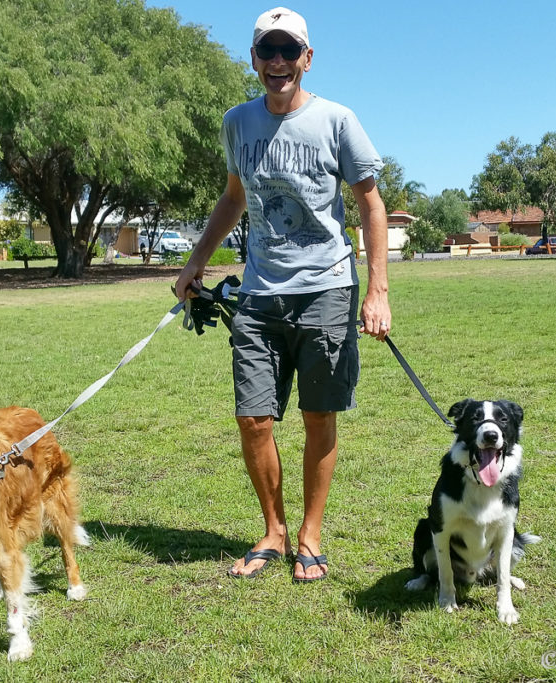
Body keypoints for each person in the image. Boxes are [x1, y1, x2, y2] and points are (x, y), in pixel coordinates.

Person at [174, 7, 390, 583]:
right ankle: (272, 528)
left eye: (288, 51)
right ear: (253, 60)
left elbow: (371, 205)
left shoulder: (338, 120)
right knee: (254, 420)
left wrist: (378, 292)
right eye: (267, 51)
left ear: (307, 58)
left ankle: (310, 535)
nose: (277, 62)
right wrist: (196, 261)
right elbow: (233, 197)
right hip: (260, 294)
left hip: (326, 288)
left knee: (319, 417)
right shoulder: (237, 123)